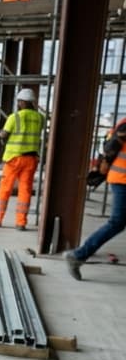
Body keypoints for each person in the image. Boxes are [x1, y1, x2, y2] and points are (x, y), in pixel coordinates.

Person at [65, 117, 126, 279]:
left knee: (118, 222)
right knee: (117, 222)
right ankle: (78, 255)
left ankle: (78, 256)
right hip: (122, 180)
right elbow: (111, 148)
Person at [0, 87, 45, 229]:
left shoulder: (14, 117)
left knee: (5, 189)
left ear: (22, 102)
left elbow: (4, 134)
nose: (18, 104)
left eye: (19, 102)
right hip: (31, 159)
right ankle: (21, 222)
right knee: (25, 189)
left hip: (14, 158)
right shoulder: (39, 118)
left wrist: (0, 135)